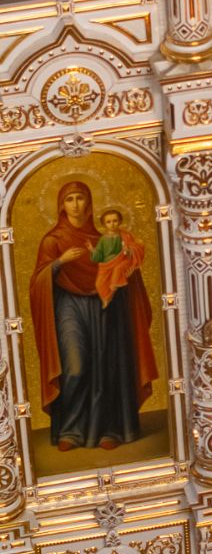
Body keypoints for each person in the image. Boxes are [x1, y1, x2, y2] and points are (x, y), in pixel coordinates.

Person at [30, 181, 158, 451]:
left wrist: (127, 264)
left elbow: (126, 270)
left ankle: (108, 429)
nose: (75, 204)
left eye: (80, 198)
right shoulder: (52, 241)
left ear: (89, 203)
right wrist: (60, 262)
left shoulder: (105, 240)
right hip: (68, 306)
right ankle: (70, 430)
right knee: (75, 366)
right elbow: (38, 282)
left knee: (105, 365)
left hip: (103, 304)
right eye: (70, 199)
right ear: (61, 205)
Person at [87, 207, 144, 309]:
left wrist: (128, 250)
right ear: (104, 224)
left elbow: (133, 248)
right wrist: (92, 250)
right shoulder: (103, 239)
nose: (112, 224)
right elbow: (99, 256)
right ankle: (105, 298)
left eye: (115, 221)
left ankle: (111, 294)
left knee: (117, 271)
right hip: (106, 265)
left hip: (122, 261)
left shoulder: (124, 236)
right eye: (108, 222)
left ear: (120, 222)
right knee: (99, 283)